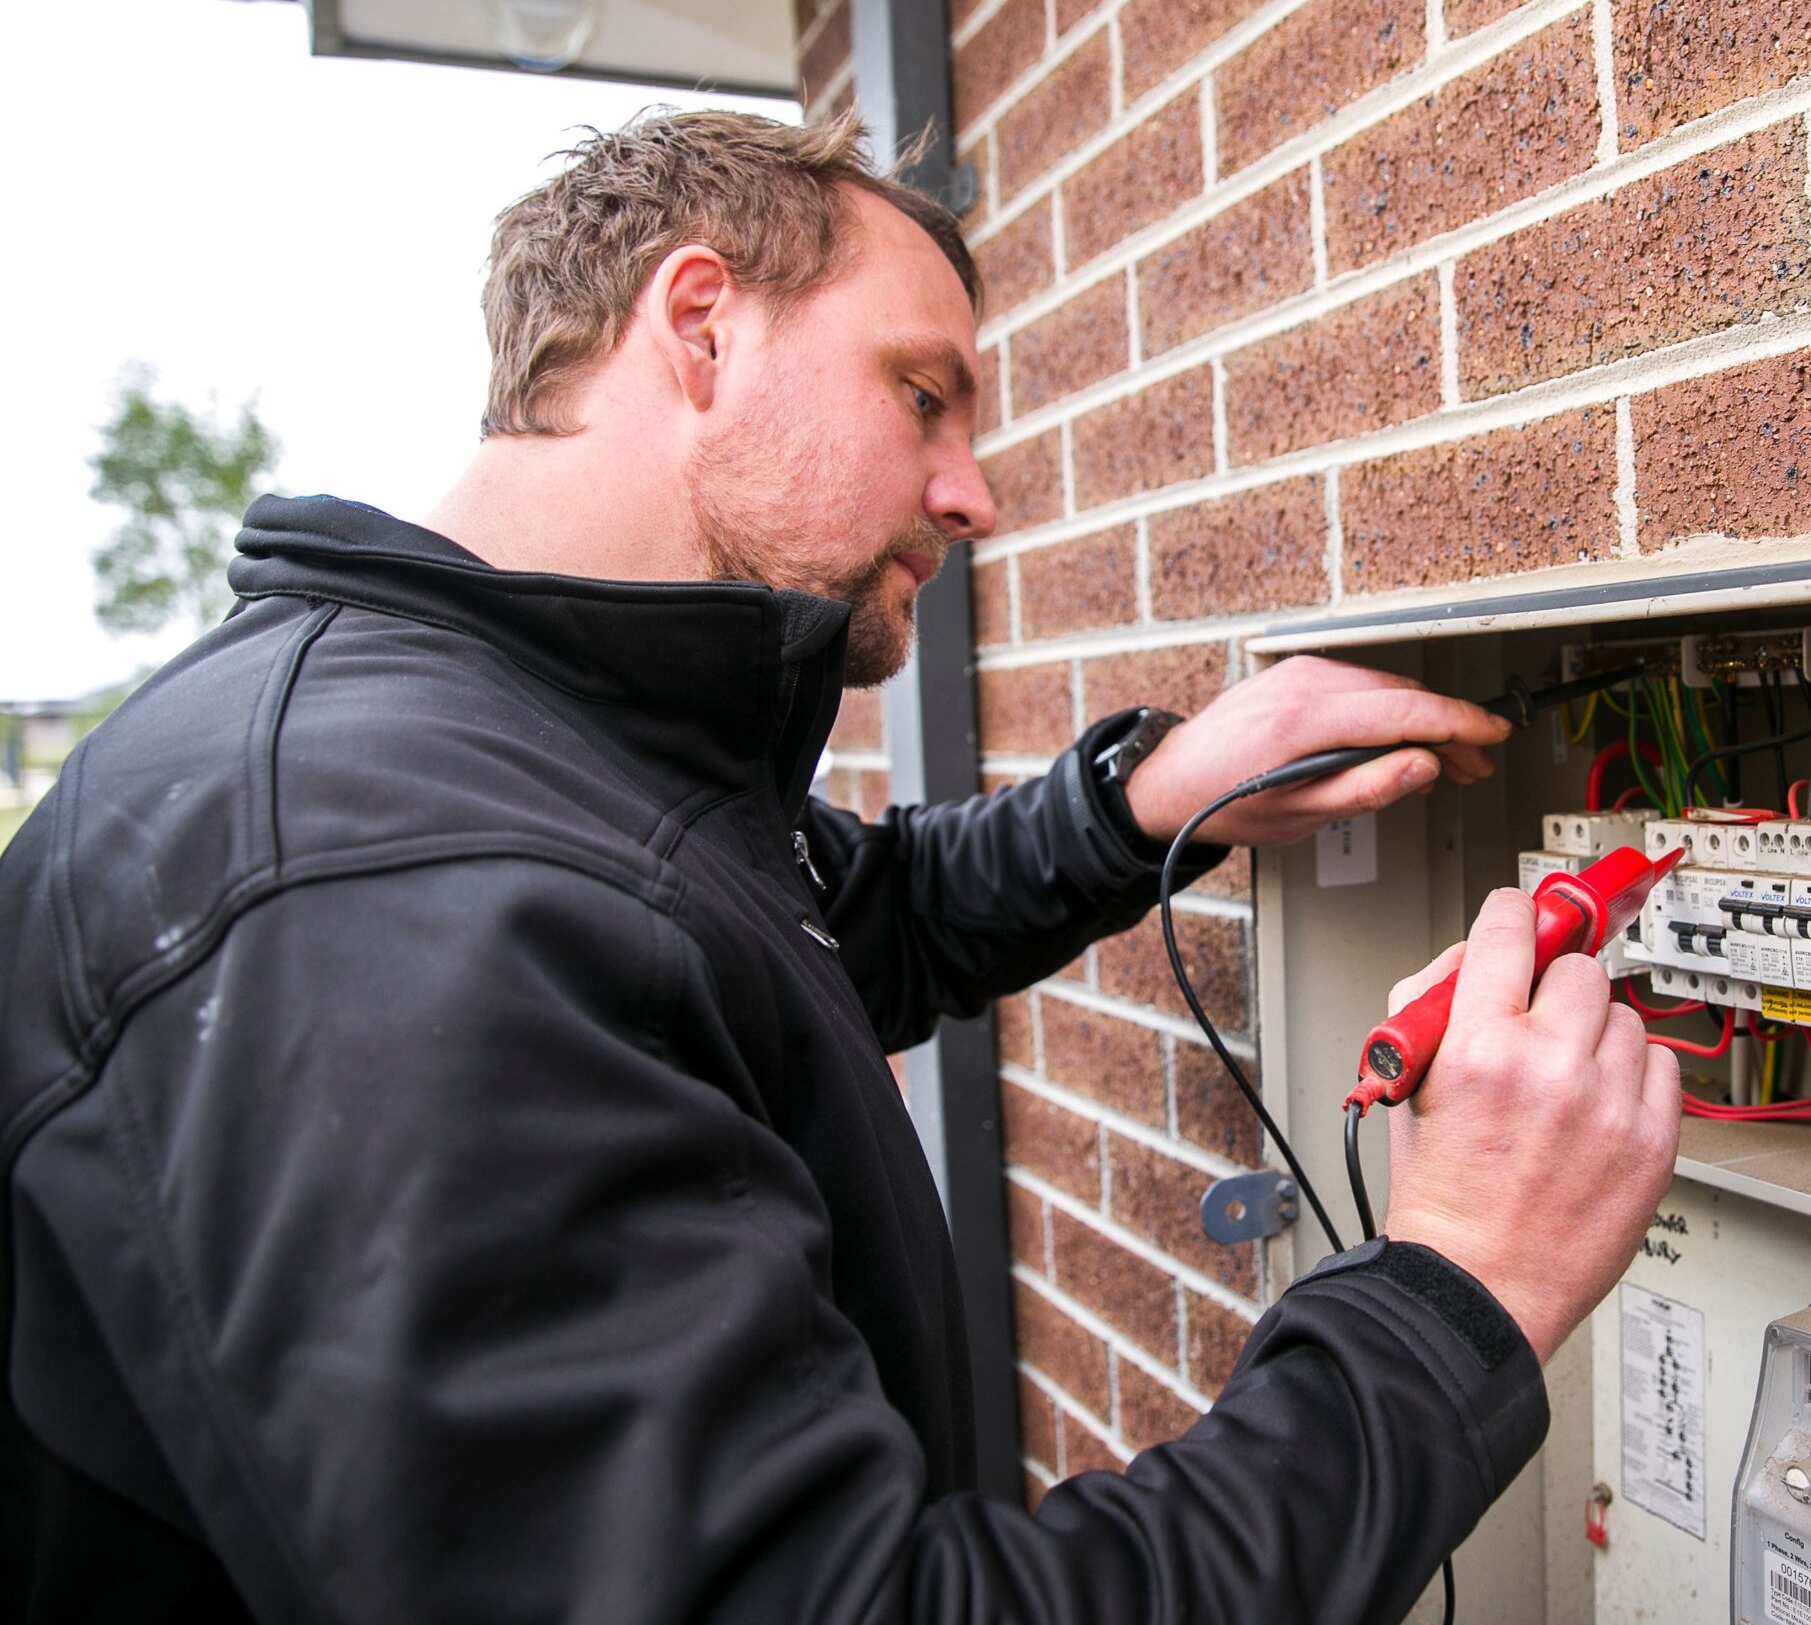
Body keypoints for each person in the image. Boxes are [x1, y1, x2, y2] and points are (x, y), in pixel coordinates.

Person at [0, 110, 1681, 1623]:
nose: (977, 496)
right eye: (923, 393)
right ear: (701, 326)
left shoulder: (521, 737)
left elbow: (828, 926)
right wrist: (1458, 1286)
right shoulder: (371, 888)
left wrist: (1151, 800)